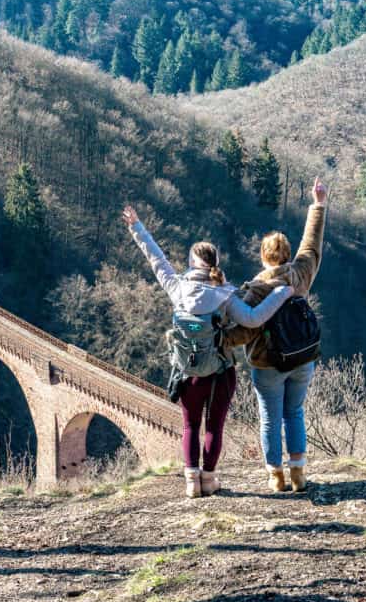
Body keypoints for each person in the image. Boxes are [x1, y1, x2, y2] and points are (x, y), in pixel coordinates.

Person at [122, 205, 293, 498]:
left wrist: (137, 226)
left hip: (187, 373)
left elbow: (156, 259)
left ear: (191, 263)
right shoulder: (224, 295)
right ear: (216, 263)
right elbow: (253, 319)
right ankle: (210, 479)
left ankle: (191, 482)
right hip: (219, 374)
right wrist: (281, 293)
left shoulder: (177, 289)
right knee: (214, 426)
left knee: (190, 425)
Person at [225, 177, 328, 493]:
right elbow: (311, 245)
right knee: (294, 413)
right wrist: (318, 204)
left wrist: (216, 342)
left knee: (270, 419)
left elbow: (243, 331)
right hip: (302, 358)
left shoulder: (255, 291)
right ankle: (298, 473)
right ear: (286, 255)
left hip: (267, 364)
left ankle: (276, 475)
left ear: (264, 257)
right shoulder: (299, 275)